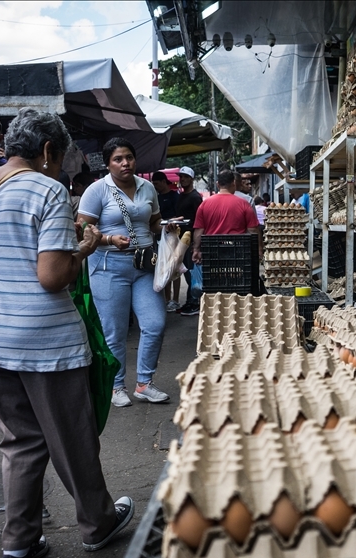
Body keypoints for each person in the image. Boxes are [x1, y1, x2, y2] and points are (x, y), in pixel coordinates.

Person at [0, 108, 134, 558]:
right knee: (72, 437)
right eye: (61, 158)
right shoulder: (48, 190)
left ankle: (19, 544)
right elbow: (52, 277)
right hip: (45, 342)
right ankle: (97, 523)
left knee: (20, 441)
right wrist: (83, 249)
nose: (60, 168)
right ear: (47, 151)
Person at [78, 138, 172, 407]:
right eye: (118, 159)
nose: (125, 163)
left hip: (144, 265)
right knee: (115, 331)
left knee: (154, 324)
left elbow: (153, 221)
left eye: (129, 157)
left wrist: (166, 227)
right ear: (108, 164)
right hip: (108, 267)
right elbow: (82, 229)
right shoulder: (97, 190)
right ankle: (116, 385)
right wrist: (108, 239)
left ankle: (144, 383)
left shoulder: (148, 188)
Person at [184, 170, 260, 316]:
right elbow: (253, 231)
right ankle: (237, 316)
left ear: (218, 184)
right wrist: (257, 252)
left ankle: (216, 317)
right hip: (238, 256)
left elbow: (199, 231)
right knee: (238, 289)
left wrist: (196, 250)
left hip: (214, 256)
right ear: (234, 183)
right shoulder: (244, 204)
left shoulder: (205, 205)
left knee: (214, 290)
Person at [173, 166, 201, 315]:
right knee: (184, 270)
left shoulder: (195, 197)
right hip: (181, 238)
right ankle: (190, 301)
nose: (182, 179)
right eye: (180, 177)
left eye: (185, 177)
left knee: (191, 272)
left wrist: (196, 245)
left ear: (191, 179)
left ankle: (194, 302)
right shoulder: (181, 195)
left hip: (190, 239)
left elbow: (199, 221)